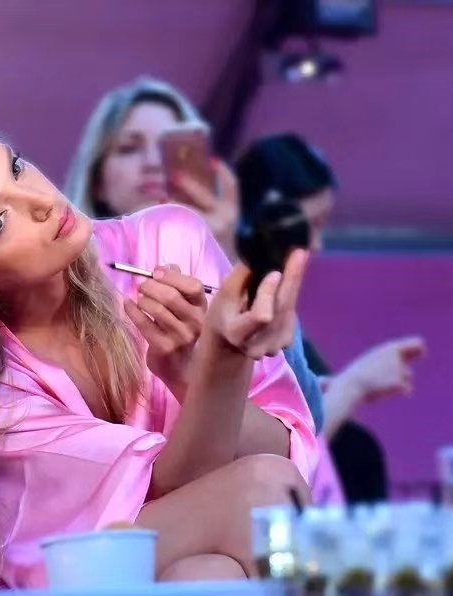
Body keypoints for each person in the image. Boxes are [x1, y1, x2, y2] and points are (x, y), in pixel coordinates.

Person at [0, 115, 318, 591]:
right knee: (265, 490)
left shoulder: (168, 241)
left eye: (16, 167)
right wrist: (216, 367)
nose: (40, 200)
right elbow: (172, 505)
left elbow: (283, 448)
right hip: (73, 577)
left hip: (187, 562)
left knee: (208, 573)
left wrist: (196, 374)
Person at [64, 76, 327, 432]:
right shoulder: (66, 280)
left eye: (170, 148)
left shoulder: (244, 271)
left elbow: (307, 418)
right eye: (129, 148)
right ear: (98, 181)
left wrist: (226, 258)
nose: (153, 163)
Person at [234, 134, 427, 504]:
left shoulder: (284, 316)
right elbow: (295, 443)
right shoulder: (238, 303)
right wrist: (355, 384)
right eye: (311, 226)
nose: (317, 245)